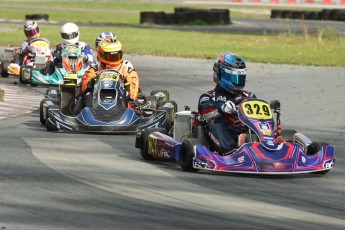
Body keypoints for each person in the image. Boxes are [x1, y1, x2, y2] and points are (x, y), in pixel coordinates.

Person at [198, 51, 256, 155]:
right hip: (224, 135)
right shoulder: (209, 96)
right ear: (221, 74)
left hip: (245, 130)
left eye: (240, 77)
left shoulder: (249, 96)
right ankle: (232, 151)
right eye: (234, 77)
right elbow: (205, 112)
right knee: (217, 127)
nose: (238, 81)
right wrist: (221, 109)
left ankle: (269, 145)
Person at [73, 37, 140, 114]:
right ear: (101, 55)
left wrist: (127, 85)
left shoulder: (127, 69)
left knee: (128, 95)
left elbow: (133, 92)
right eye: (110, 57)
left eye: (116, 56)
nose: (114, 60)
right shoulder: (94, 68)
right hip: (97, 101)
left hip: (121, 100)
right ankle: (86, 114)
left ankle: (130, 113)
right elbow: (83, 87)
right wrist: (90, 83)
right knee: (88, 94)